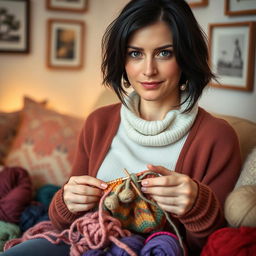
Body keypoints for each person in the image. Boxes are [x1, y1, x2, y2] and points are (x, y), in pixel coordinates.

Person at [2, 0, 241, 255]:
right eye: (135, 53)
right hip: (84, 244)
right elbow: (63, 223)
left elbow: (216, 245)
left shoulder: (217, 137)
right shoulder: (98, 123)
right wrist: (66, 202)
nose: (148, 70)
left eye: (164, 53)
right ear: (123, 60)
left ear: (186, 56)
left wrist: (197, 207)